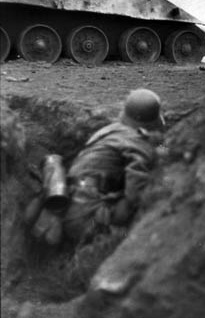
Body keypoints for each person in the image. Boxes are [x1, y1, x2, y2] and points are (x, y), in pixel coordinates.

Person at [25, 88, 165, 246]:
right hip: (85, 215)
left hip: (70, 203)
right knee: (132, 215)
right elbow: (135, 192)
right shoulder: (138, 143)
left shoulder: (108, 131)